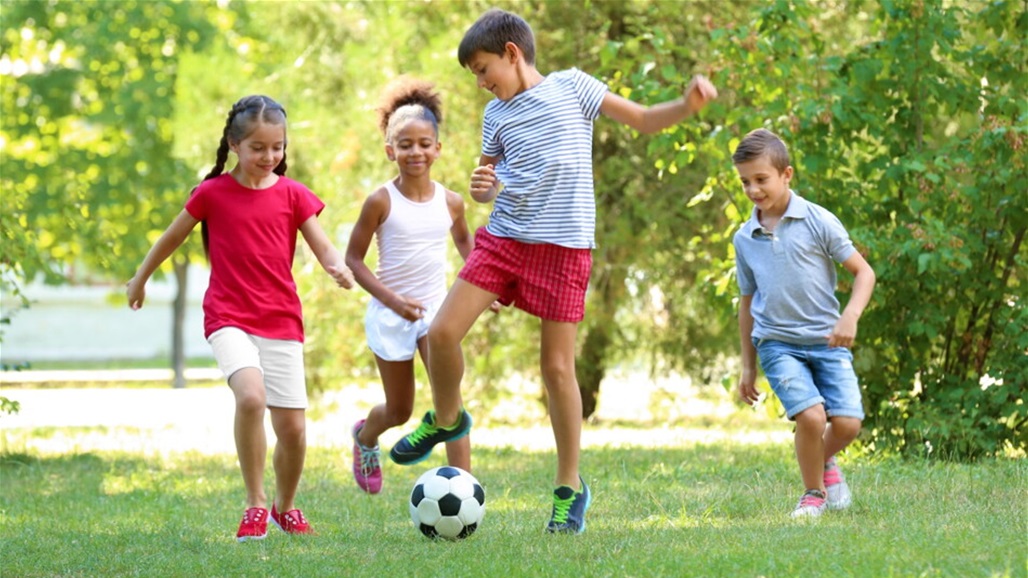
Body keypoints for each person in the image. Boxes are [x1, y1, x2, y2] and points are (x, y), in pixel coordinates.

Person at [387, 8, 718, 534]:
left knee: (557, 370)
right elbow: (492, 180)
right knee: (443, 332)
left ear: (512, 54)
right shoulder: (496, 116)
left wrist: (686, 105)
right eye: (473, 74)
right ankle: (445, 419)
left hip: (564, 249)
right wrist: (483, 190)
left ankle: (569, 489)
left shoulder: (573, 87)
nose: (480, 83)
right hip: (504, 240)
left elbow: (641, 119)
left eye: (482, 68)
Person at [126, 95, 356, 541]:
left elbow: (322, 243)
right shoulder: (212, 193)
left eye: (277, 148)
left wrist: (336, 266)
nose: (269, 157)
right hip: (228, 314)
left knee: (292, 430)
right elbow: (171, 238)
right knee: (251, 397)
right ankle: (254, 503)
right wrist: (140, 278)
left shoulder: (293, 194)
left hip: (281, 319)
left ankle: (284, 506)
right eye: (258, 148)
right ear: (234, 144)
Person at [344, 77, 480, 494]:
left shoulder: (452, 201)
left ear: (438, 148)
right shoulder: (380, 202)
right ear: (390, 151)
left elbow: (464, 243)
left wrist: (482, 286)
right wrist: (392, 300)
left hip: (436, 314)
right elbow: (353, 260)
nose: (415, 152)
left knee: (449, 401)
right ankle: (366, 437)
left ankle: (465, 485)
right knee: (401, 410)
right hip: (390, 314)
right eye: (405, 144)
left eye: (424, 143)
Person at [731, 128, 876, 518]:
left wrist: (850, 316)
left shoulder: (818, 220)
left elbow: (864, 273)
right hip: (777, 342)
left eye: (761, 179)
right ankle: (813, 493)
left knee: (847, 424)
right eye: (745, 181)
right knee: (811, 417)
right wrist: (748, 365)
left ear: (786, 174)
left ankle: (823, 462)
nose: (753, 189)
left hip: (827, 339)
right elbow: (747, 303)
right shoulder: (744, 238)